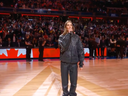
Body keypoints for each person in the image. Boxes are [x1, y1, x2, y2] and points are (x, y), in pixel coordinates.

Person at [58, 20, 84, 96]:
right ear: (65, 27)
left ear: (72, 27)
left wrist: (81, 62)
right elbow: (63, 47)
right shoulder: (61, 37)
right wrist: (68, 35)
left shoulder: (76, 37)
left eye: (71, 25)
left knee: (74, 81)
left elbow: (80, 49)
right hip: (64, 61)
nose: (69, 26)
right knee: (64, 80)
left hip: (74, 62)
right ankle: (65, 93)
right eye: (68, 25)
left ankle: (72, 93)